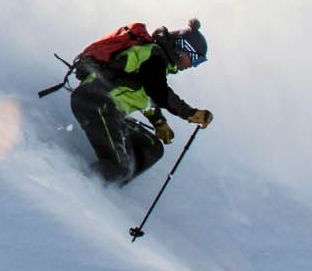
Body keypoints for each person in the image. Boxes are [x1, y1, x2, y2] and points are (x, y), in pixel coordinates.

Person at [70, 20, 211, 184]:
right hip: (95, 102)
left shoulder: (158, 64)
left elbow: (145, 94)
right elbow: (158, 92)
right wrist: (190, 113)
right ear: (182, 49)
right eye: (195, 59)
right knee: (117, 166)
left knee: (153, 147)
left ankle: (111, 187)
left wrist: (159, 122)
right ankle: (78, 185)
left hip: (110, 110)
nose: (192, 65)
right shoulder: (154, 56)